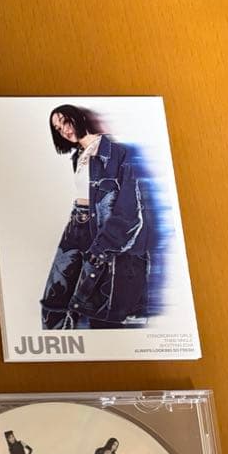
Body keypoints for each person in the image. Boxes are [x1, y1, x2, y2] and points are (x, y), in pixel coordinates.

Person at [42, 104, 152, 330]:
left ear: (79, 118)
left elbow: (130, 207)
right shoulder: (78, 156)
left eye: (66, 122)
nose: (64, 130)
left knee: (93, 302)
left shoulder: (117, 153)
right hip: (76, 224)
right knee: (55, 299)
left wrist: (104, 245)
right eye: (58, 128)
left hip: (101, 229)